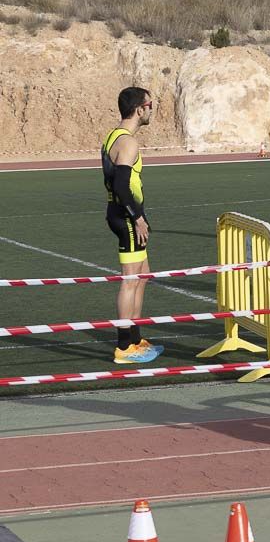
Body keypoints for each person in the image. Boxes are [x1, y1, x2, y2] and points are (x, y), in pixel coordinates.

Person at [102, 86, 164, 365]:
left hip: (127, 214)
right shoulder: (127, 142)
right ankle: (124, 346)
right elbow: (121, 186)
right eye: (150, 104)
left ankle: (136, 339)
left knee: (142, 275)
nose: (152, 109)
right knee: (130, 280)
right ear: (140, 109)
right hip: (126, 217)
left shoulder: (115, 136)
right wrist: (137, 218)